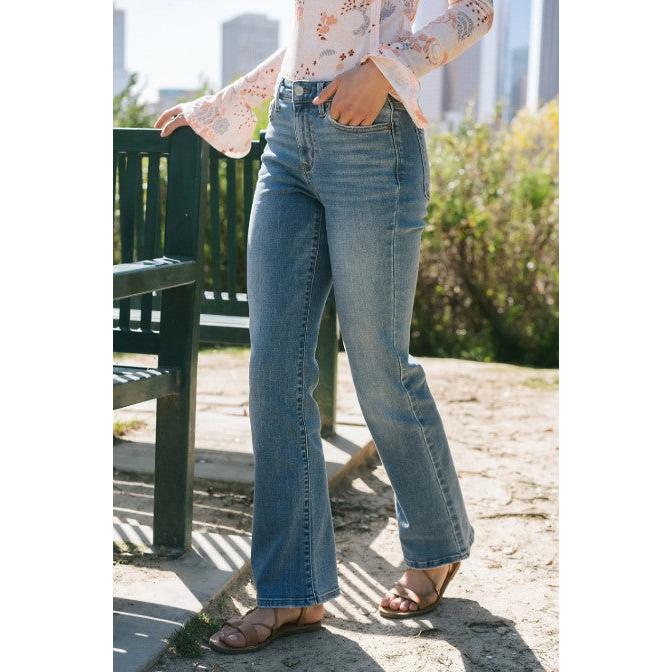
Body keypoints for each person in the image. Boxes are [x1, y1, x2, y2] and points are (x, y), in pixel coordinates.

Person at [155, 0, 494, 654]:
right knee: (273, 374)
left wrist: (383, 71)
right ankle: (292, 592)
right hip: (288, 137)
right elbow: (314, 37)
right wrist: (231, 101)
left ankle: (438, 544)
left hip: (375, 135)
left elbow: (476, 11)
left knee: (379, 364)